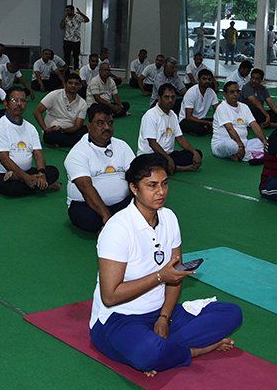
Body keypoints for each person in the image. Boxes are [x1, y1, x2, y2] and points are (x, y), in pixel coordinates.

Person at [90, 154, 242, 376]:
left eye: (164, 184)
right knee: (147, 353)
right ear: (134, 188)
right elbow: (110, 296)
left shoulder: (169, 218)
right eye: (151, 185)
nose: (160, 192)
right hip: (118, 318)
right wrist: (160, 277)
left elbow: (175, 275)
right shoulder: (117, 229)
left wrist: (164, 318)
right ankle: (194, 350)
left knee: (231, 313)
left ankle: (163, 350)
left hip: (160, 312)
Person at [65, 104, 136, 232]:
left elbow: (135, 175)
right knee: (90, 220)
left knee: (143, 200)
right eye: (100, 123)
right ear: (89, 126)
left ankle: (119, 221)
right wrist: (105, 215)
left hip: (121, 203)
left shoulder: (122, 146)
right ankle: (117, 221)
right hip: (86, 205)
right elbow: (86, 187)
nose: (107, 127)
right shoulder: (77, 152)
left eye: (110, 123)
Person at [0, 89, 61, 196]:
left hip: (25, 171)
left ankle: (25, 180)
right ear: (6, 104)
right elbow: (4, 160)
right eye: (14, 100)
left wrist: (41, 174)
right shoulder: (0, 127)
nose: (19, 104)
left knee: (53, 171)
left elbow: (38, 154)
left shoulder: (30, 128)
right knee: (12, 189)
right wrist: (26, 178)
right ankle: (42, 186)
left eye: (23, 100)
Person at [138, 84, 202, 174]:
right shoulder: (150, 115)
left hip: (168, 154)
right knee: (153, 163)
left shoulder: (173, 115)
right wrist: (168, 159)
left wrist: (194, 152)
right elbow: (152, 143)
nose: (170, 100)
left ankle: (170, 166)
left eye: (173, 97)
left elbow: (180, 138)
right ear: (159, 98)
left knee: (197, 154)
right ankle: (178, 168)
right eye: (166, 97)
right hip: (151, 155)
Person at [211, 80, 268, 162]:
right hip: (223, 144)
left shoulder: (244, 107)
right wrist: (240, 146)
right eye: (232, 92)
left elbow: (254, 125)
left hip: (244, 143)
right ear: (225, 94)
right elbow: (230, 129)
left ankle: (244, 155)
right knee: (232, 145)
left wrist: (264, 142)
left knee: (267, 140)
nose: (235, 94)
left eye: (237, 91)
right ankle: (249, 155)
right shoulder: (221, 108)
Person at [33, 72, 88, 148]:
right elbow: (37, 111)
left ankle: (64, 142)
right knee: (50, 136)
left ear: (80, 86)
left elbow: (77, 126)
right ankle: (74, 142)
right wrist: (45, 128)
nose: (73, 85)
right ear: (65, 84)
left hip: (70, 131)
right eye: (70, 83)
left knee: (87, 129)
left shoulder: (82, 103)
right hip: (53, 132)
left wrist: (63, 130)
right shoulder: (54, 95)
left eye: (76, 84)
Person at [180, 69, 218, 136]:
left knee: (219, 123)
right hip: (186, 120)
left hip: (201, 119)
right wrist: (208, 122)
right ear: (198, 79)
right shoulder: (191, 92)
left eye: (209, 79)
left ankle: (207, 127)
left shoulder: (211, 92)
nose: (207, 81)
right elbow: (189, 117)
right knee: (199, 129)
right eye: (204, 79)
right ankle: (207, 128)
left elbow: (217, 110)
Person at [60, 4, 89, 70]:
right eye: (66, 10)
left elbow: (87, 20)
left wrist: (81, 13)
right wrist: (64, 17)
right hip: (67, 40)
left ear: (72, 11)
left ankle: (76, 71)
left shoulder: (77, 17)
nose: (67, 12)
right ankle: (66, 71)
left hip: (76, 40)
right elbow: (61, 27)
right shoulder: (66, 18)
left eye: (68, 10)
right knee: (66, 56)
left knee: (76, 57)